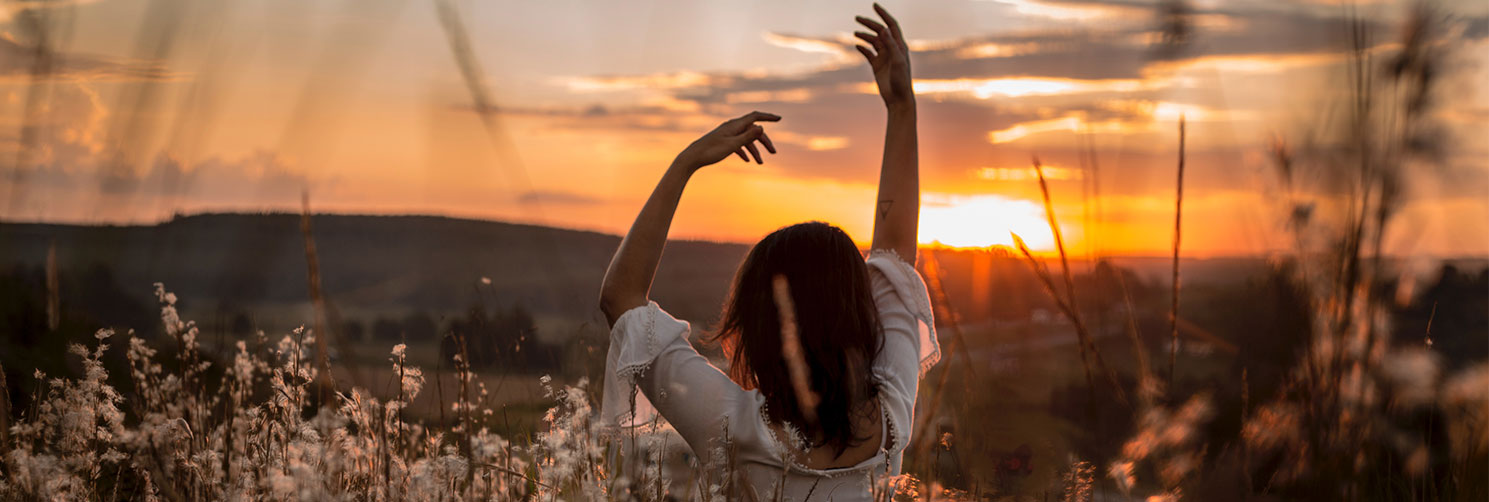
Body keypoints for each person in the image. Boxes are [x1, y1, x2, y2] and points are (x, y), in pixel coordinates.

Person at [597, 4, 937, 499]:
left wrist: (685, 163)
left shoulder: (731, 425)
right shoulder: (891, 417)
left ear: (761, 323)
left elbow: (620, 298)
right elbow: (894, 255)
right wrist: (902, 107)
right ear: (858, 314)